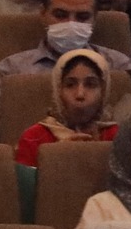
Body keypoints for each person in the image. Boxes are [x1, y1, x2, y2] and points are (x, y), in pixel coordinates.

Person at [0, 0, 131, 140]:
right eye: (60, 15)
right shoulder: (9, 70)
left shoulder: (120, 66)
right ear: (43, 13)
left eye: (82, 17)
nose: (70, 23)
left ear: (94, 19)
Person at [12, 49, 119, 198]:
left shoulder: (119, 137)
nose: (80, 94)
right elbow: (25, 198)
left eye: (91, 85)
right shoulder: (34, 137)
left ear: (104, 91)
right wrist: (59, 157)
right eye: (70, 85)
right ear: (58, 90)